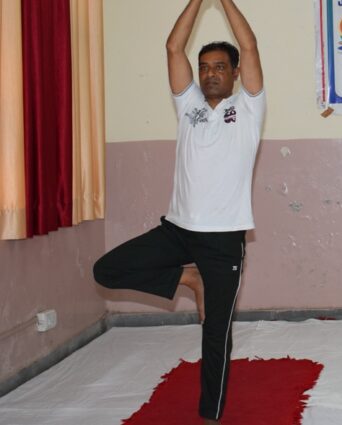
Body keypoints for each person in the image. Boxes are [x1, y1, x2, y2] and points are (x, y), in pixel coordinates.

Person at [93, 0, 264, 423]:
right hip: (177, 231)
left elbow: (251, 44)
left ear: (235, 73)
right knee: (107, 270)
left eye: (220, 66)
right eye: (205, 66)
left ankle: (210, 415)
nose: (209, 73)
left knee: (215, 335)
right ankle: (188, 278)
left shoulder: (247, 109)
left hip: (224, 241)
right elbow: (173, 47)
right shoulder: (187, 108)